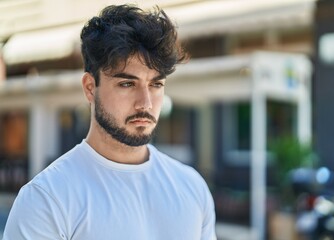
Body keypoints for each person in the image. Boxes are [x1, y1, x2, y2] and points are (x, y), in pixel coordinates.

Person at [3, 4, 217, 240]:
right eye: (127, 84)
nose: (145, 103)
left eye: (156, 84)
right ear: (89, 88)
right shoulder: (46, 200)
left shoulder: (192, 188)